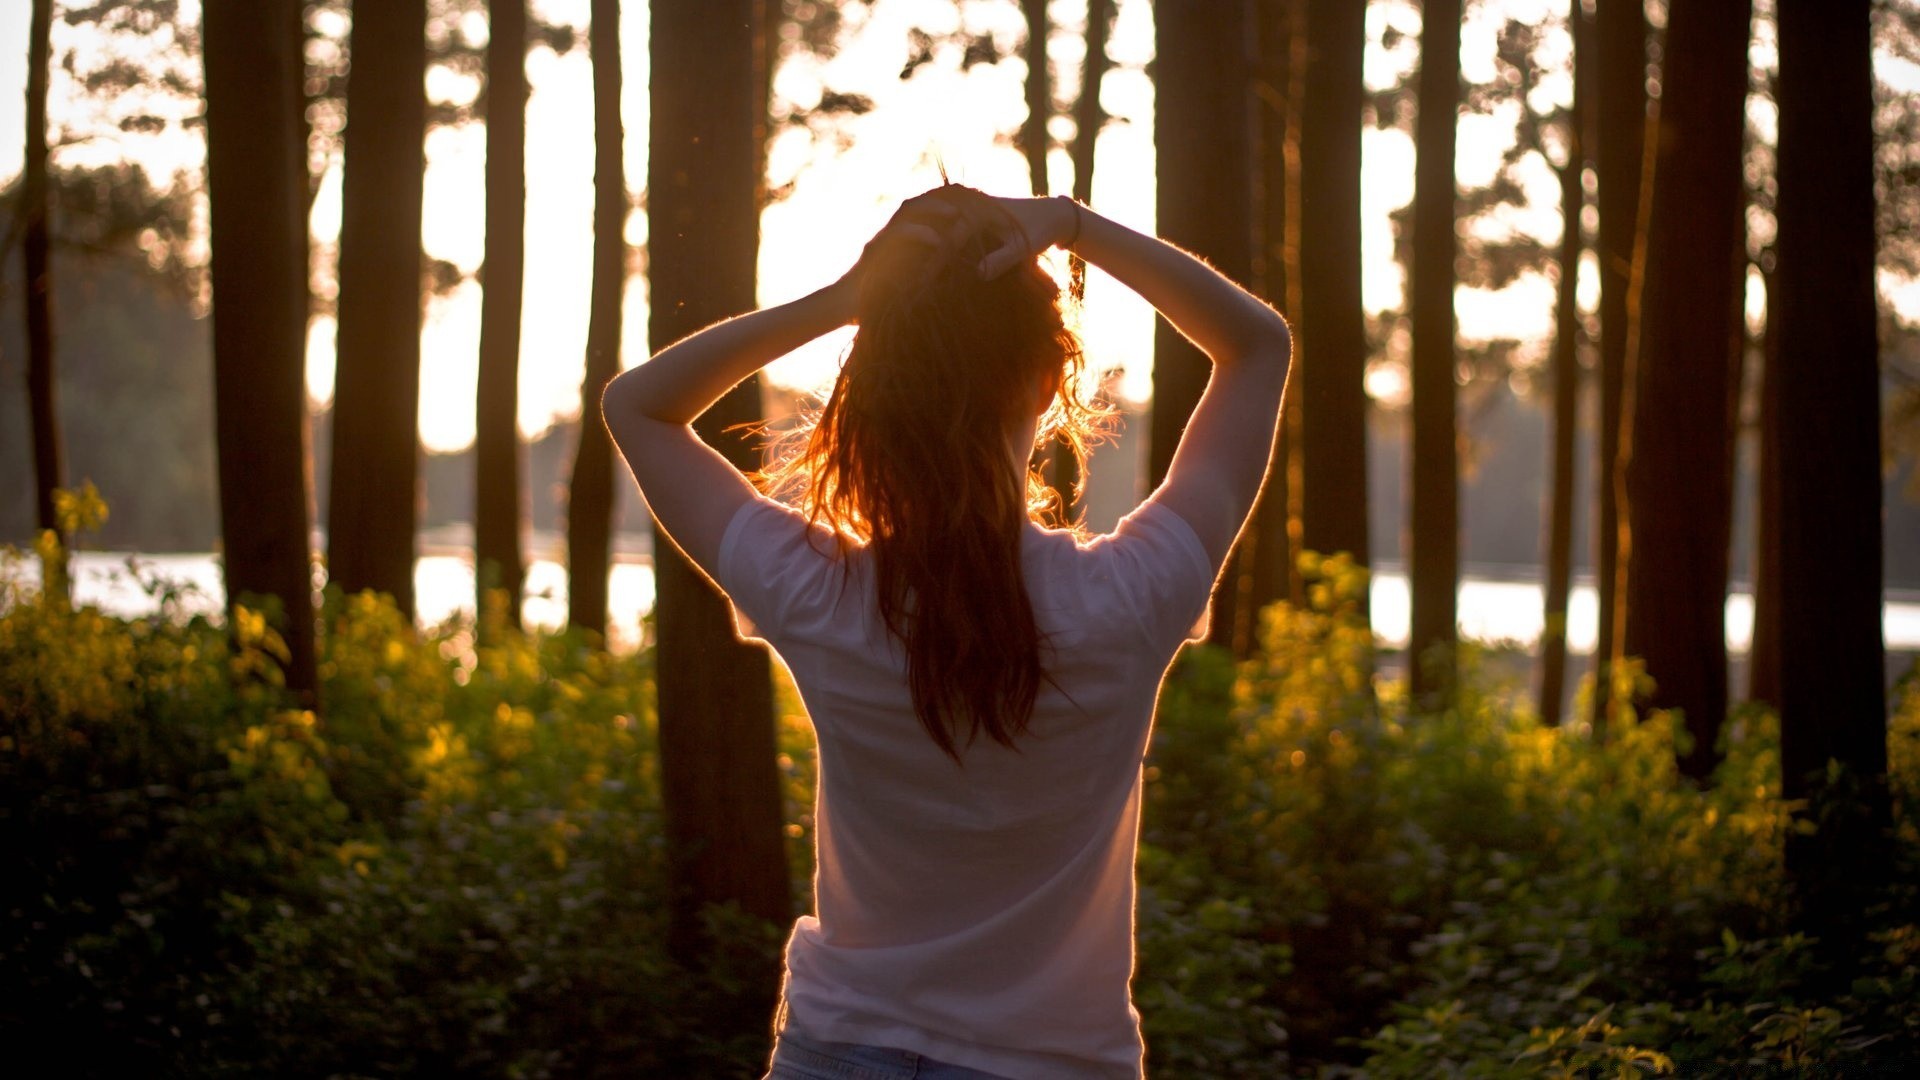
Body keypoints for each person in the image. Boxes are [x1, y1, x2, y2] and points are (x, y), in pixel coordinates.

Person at [601, 185, 1290, 1080]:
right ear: (1049, 382)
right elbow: (1256, 346)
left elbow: (638, 406)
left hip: (839, 1052)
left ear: (879, 389)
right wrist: (1076, 224)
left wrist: (849, 301)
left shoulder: (821, 593)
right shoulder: (1130, 597)